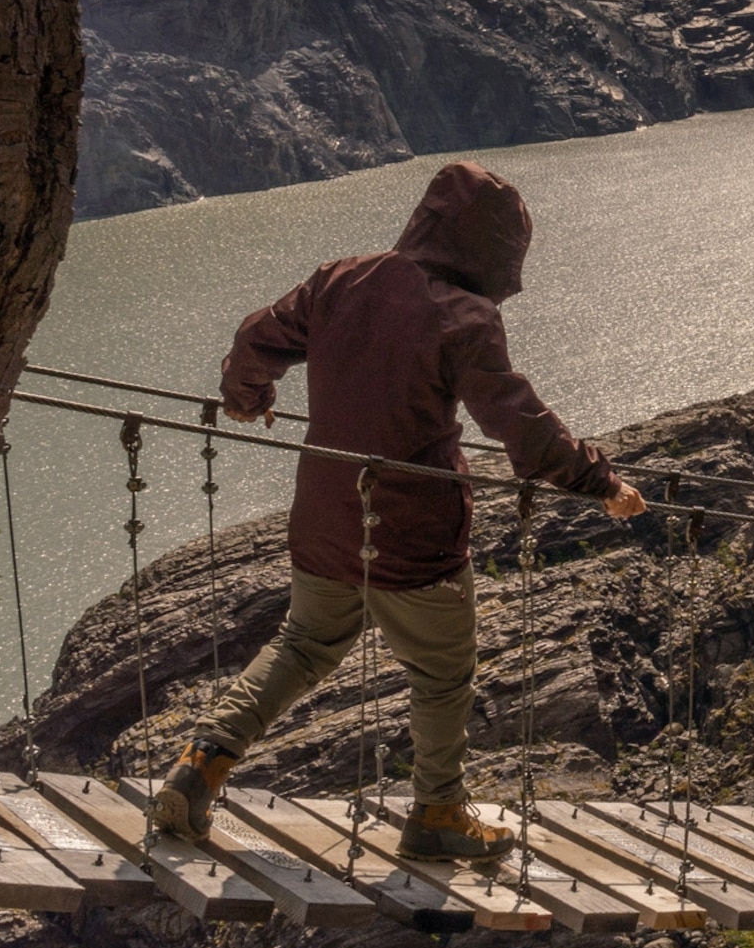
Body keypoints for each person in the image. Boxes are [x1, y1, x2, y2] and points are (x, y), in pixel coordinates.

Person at [151, 161, 647, 859]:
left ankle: (200, 763)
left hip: (324, 511)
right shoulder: (464, 317)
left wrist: (246, 397)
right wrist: (601, 484)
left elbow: (257, 337)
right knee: (442, 675)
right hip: (412, 528)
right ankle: (438, 816)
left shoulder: (341, 278)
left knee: (303, 644)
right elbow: (521, 425)